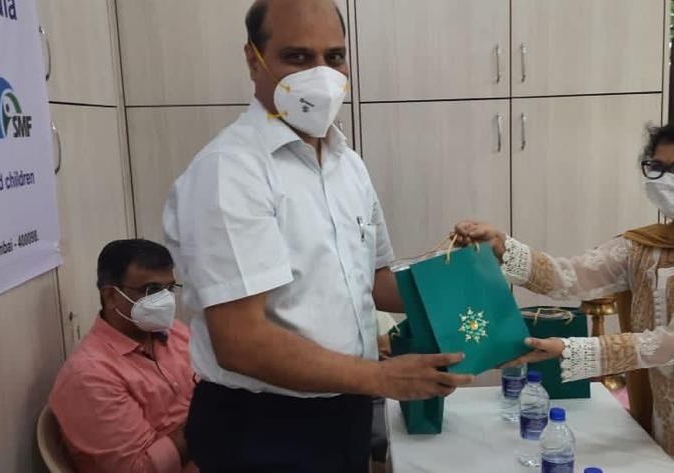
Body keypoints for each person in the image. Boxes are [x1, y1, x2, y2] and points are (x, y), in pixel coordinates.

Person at [161, 1, 474, 471]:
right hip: (263, 428)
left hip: (345, 409)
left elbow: (373, 281)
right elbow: (241, 340)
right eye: (298, 57)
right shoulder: (230, 171)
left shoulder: (347, 163)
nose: (321, 75)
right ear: (253, 60)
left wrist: (466, 276)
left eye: (334, 57)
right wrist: (382, 378)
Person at [454, 117, 674, 473]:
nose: (666, 179)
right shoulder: (644, 246)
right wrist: (500, 245)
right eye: (656, 167)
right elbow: (568, 277)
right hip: (665, 416)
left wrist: (571, 349)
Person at [48, 239, 197, 473]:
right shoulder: (89, 376)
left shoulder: (175, 333)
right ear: (110, 296)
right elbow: (140, 468)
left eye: (169, 288)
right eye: (152, 290)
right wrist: (207, 418)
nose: (166, 300)